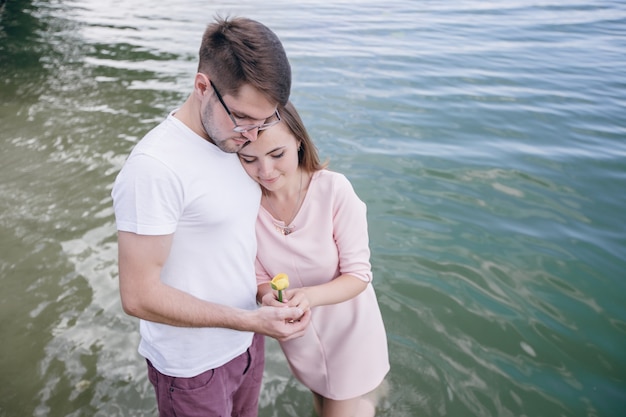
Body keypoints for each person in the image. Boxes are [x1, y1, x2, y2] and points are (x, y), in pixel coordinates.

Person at [111, 17, 310, 417]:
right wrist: (247, 321)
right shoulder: (154, 168)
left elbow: (228, 244)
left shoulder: (235, 143)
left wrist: (261, 297)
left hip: (248, 341)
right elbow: (138, 296)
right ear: (203, 87)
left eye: (265, 120)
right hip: (192, 366)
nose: (253, 135)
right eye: (242, 118)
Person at [237, 101, 390, 417]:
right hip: (301, 341)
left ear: (298, 141)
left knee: (343, 402)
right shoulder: (243, 206)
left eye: (277, 154)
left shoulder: (334, 190)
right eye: (249, 159)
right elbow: (257, 279)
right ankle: (371, 397)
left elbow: (358, 275)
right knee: (322, 403)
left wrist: (307, 297)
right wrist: (270, 298)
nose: (265, 171)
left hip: (351, 335)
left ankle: (368, 392)